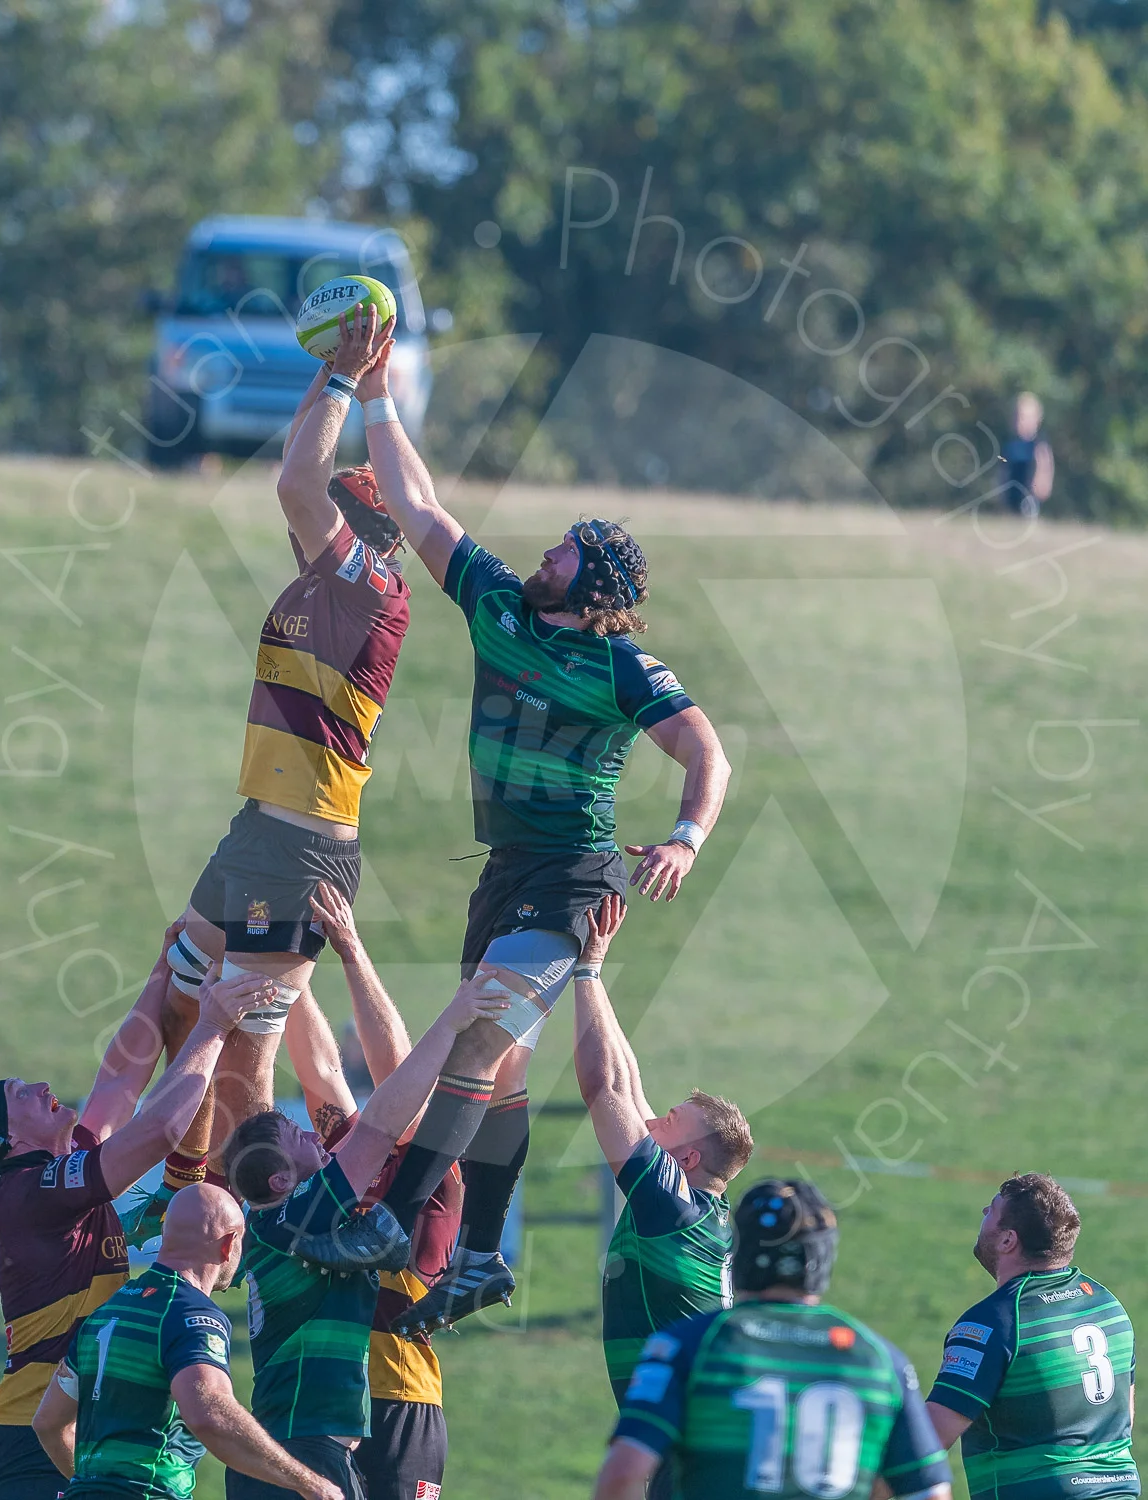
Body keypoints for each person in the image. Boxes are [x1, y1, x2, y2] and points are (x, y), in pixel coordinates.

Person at [341, 305, 734, 1331]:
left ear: (590, 582)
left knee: (477, 1038)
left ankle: (400, 1214)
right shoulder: (500, 606)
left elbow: (706, 751)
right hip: (505, 869)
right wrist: (376, 387)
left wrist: (687, 838)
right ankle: (481, 1257)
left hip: (575, 878)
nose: (542, 553)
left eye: (561, 551)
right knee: (501, 1072)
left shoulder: (621, 664)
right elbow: (419, 507)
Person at [126, 311, 412, 1242]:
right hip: (257, 834)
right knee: (178, 1002)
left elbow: (297, 480)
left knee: (246, 1048)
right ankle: (184, 1181)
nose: (306, 519)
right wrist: (332, 371)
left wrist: (342, 381)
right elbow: (295, 471)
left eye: (329, 512)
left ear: (360, 530)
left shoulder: (369, 584)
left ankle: (243, 1224)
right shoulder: (318, 583)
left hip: (300, 853)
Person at [0, 924, 277, 1500]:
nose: (42, 1086)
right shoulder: (33, 1191)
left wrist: (161, 972)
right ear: (13, 1139)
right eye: (24, 1093)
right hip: (25, 1446)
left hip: (65, 1427)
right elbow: (158, 1130)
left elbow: (121, 1078)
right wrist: (210, 1025)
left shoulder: (62, 1163)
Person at [219, 964, 514, 1500]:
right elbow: (331, 1082)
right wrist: (297, 968)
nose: (312, 1129)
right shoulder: (326, 1189)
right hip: (327, 1416)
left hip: (399, 1394)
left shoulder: (427, 1173)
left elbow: (395, 1095)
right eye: (297, 1132)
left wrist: (310, 970)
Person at [594, 1178, 954, 1500]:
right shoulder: (880, 1360)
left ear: (739, 1251)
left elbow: (624, 1473)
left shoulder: (686, 1345)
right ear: (822, 1258)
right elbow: (931, 1491)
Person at [572, 895, 751, 1479]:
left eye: (669, 1122)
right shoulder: (698, 1207)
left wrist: (584, 972)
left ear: (688, 1156)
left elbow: (603, 1090)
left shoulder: (670, 1206)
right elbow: (628, 1081)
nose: (652, 1121)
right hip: (697, 1429)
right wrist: (595, 969)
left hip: (684, 1444)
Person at [31, 1184, 343, 1500]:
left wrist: (96, 1487)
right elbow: (210, 1414)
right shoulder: (190, 1313)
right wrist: (310, 1484)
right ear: (229, 1244)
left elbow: (48, 1422)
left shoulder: (107, 1312)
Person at [309, 881, 463, 1500]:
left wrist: (349, 949)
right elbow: (321, 1071)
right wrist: (280, 976)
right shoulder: (343, 1157)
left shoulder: (434, 1175)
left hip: (401, 1399)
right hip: (321, 1398)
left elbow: (400, 1078)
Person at [926, 1173, 1137, 1499]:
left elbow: (925, 1444)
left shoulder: (993, 1323)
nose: (984, 1211)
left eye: (992, 1210)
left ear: (1008, 1240)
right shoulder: (1109, 1306)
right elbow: (1123, 1420)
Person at [1000, 392, 1054, 517]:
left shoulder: (1039, 443)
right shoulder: (1011, 443)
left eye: (1029, 418)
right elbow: (1003, 466)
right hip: (1011, 492)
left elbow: (1044, 465)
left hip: (1030, 495)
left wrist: (1044, 483)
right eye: (1020, 417)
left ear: (1038, 420)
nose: (1024, 422)